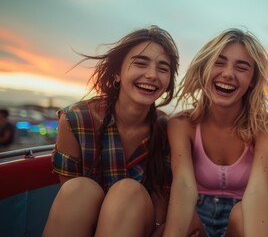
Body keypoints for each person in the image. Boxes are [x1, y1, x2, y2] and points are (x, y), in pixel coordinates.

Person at [42, 25, 179, 237]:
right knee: (79, 189)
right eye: (141, 64)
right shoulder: (75, 120)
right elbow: (70, 199)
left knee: (126, 191)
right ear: (117, 73)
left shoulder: (167, 128)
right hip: (88, 222)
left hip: (142, 226)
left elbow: (161, 205)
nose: (152, 75)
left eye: (163, 68)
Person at [162, 28, 268, 237]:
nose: (228, 74)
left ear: (253, 79)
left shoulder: (267, 126)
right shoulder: (181, 124)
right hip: (196, 217)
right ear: (204, 69)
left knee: (243, 213)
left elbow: (258, 190)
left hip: (244, 219)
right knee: (183, 219)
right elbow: (183, 185)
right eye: (219, 62)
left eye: (242, 67)